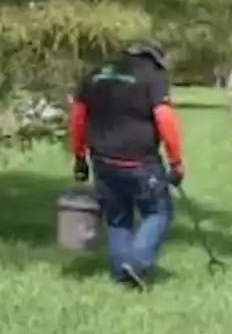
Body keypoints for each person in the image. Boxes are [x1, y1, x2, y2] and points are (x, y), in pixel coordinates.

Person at [69, 40, 185, 290]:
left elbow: (78, 115)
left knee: (117, 219)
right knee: (159, 213)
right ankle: (138, 261)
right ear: (153, 58)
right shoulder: (153, 76)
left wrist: (79, 155)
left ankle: (122, 276)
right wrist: (176, 162)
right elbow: (165, 118)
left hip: (102, 160)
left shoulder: (97, 74)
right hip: (141, 162)